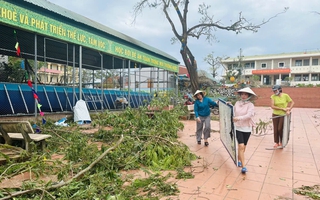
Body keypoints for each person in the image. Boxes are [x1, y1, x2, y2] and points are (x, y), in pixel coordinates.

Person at [233, 87, 257, 174]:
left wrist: (239, 118)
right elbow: (233, 111)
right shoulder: (237, 103)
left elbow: (249, 115)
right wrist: (228, 106)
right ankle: (244, 166)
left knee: (244, 147)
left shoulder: (250, 105)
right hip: (238, 127)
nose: (243, 96)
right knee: (241, 146)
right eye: (242, 94)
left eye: (245, 94)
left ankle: (239, 160)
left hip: (247, 128)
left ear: (249, 96)